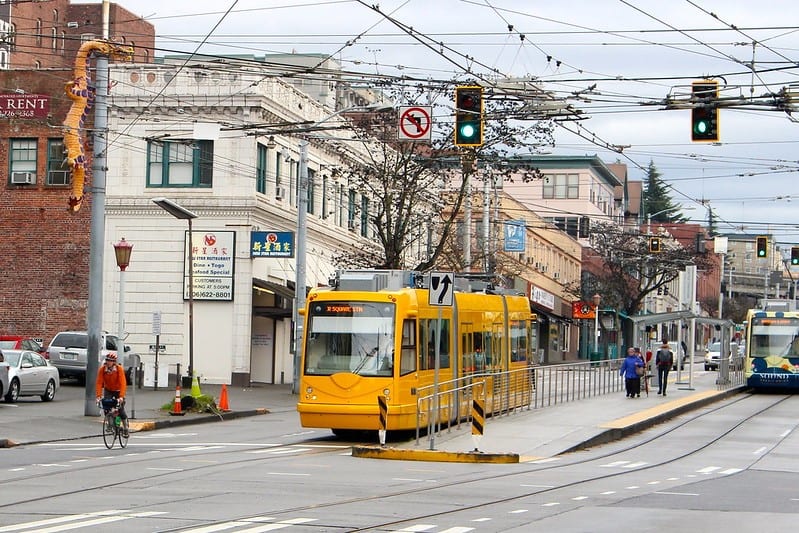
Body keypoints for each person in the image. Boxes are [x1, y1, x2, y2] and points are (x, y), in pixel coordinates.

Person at [95, 352, 128, 435]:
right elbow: (99, 383)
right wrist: (98, 396)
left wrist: (121, 397)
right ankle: (110, 425)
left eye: (110, 361)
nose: (108, 362)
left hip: (118, 390)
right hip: (108, 389)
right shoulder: (102, 370)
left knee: (120, 409)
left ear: (114, 362)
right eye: (107, 360)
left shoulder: (119, 369)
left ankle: (125, 427)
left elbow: (123, 383)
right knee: (106, 406)